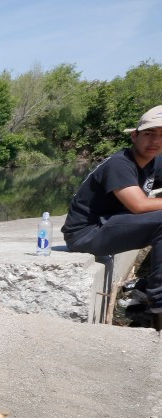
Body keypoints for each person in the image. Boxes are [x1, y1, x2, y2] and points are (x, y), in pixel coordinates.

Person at [63, 106, 162, 330]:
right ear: (134, 135)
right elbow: (139, 205)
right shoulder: (120, 163)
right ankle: (159, 301)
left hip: (110, 225)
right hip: (86, 234)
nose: (155, 141)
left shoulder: (154, 161)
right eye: (149, 133)